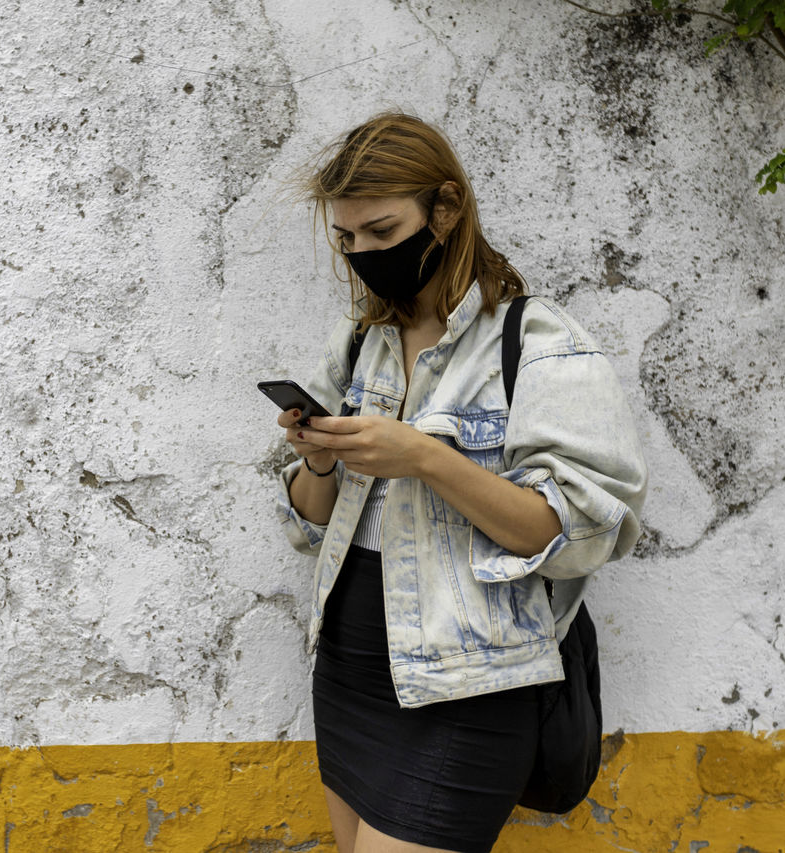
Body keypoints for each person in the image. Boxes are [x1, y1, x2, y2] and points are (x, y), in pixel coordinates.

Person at [274, 113, 648, 853]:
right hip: (350, 668)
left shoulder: (538, 344)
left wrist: (423, 456)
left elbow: (579, 533)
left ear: (445, 210)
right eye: (349, 239)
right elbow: (310, 522)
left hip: (468, 683)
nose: (363, 255)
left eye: (382, 231)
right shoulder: (361, 340)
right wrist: (318, 458)